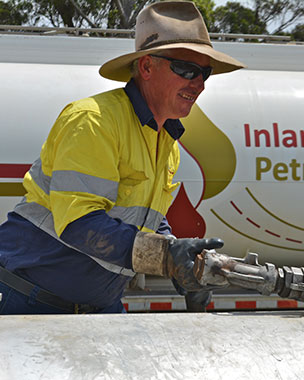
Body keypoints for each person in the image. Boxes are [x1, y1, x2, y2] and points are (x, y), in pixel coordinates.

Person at [0, 1, 245, 314]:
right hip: (27, 300)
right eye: (187, 69)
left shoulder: (165, 138)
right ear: (146, 67)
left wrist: (183, 265)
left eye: (205, 73)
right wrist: (167, 256)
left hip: (97, 306)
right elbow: (79, 223)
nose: (198, 84)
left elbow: (148, 218)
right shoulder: (94, 120)